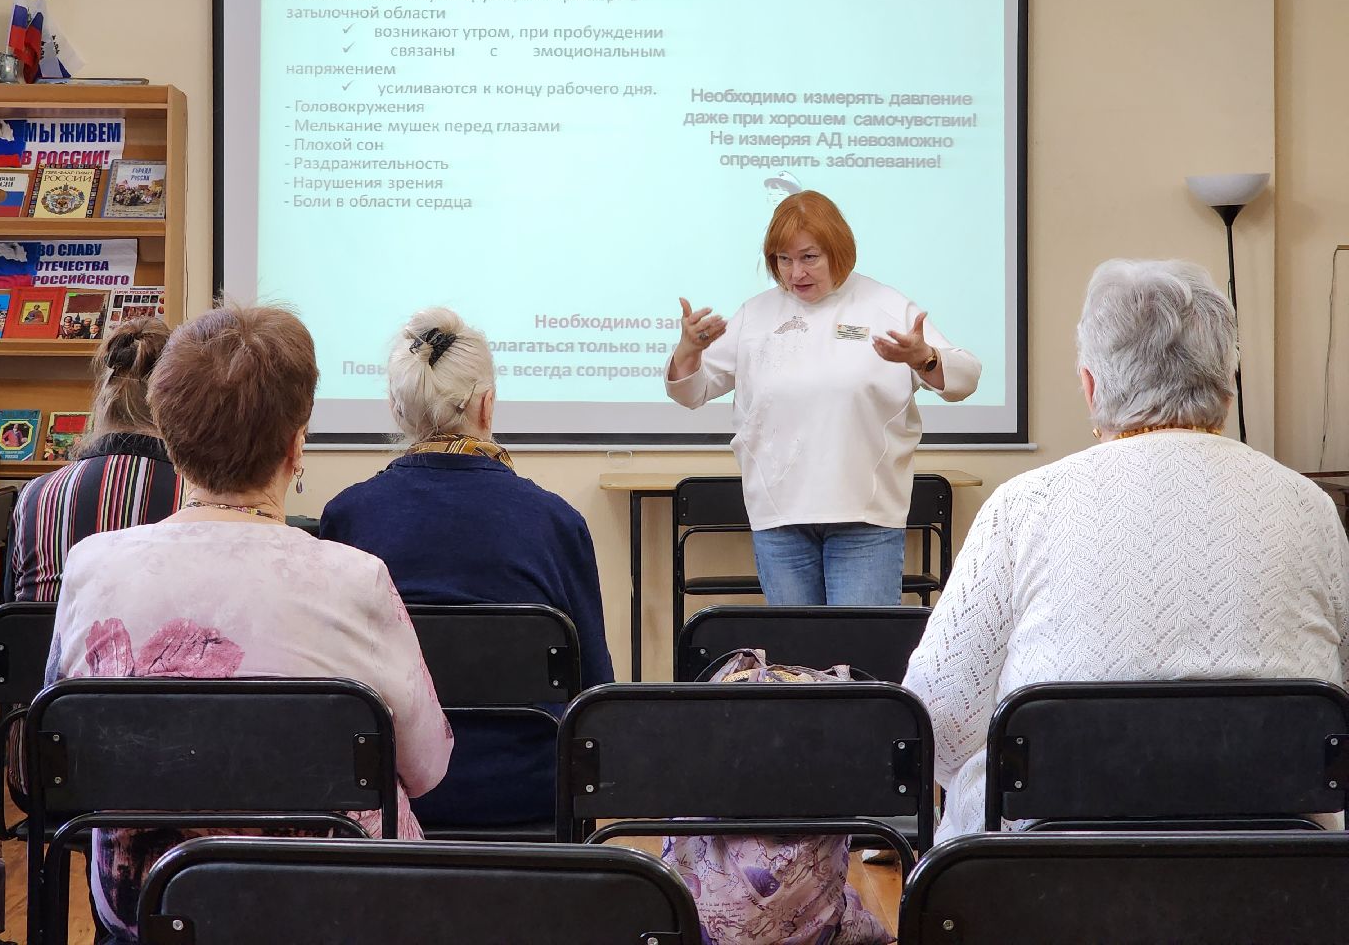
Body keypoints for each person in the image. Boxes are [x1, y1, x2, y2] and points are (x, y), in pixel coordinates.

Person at [45, 304, 452, 942]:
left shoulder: (91, 566)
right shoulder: (356, 579)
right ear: (297, 445)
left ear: (171, 443)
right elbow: (427, 766)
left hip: (147, 901)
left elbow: (54, 765)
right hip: (331, 905)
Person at [903, 259, 1349, 842]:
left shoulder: (1023, 506)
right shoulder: (1309, 505)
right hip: (1279, 873)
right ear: (1228, 383)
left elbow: (937, 722)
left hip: (1046, 876)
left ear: (1091, 384)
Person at [321, 306, 613, 829]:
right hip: (531, 804)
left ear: (396, 409)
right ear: (487, 403)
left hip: (388, 806)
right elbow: (595, 699)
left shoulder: (347, 517)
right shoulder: (557, 523)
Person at [667, 190, 981, 606]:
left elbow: (965, 377)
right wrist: (689, 350)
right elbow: (693, 391)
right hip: (779, 516)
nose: (796, 272)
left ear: (838, 250)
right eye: (783, 259)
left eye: (809, 257)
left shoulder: (885, 306)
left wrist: (922, 358)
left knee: (858, 660)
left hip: (865, 516)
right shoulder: (755, 315)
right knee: (797, 662)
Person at [11, 318, 183, 603]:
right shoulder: (192, 496)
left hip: (44, 648)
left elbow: (13, 604)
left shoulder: (35, 495)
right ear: (174, 402)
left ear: (102, 398)